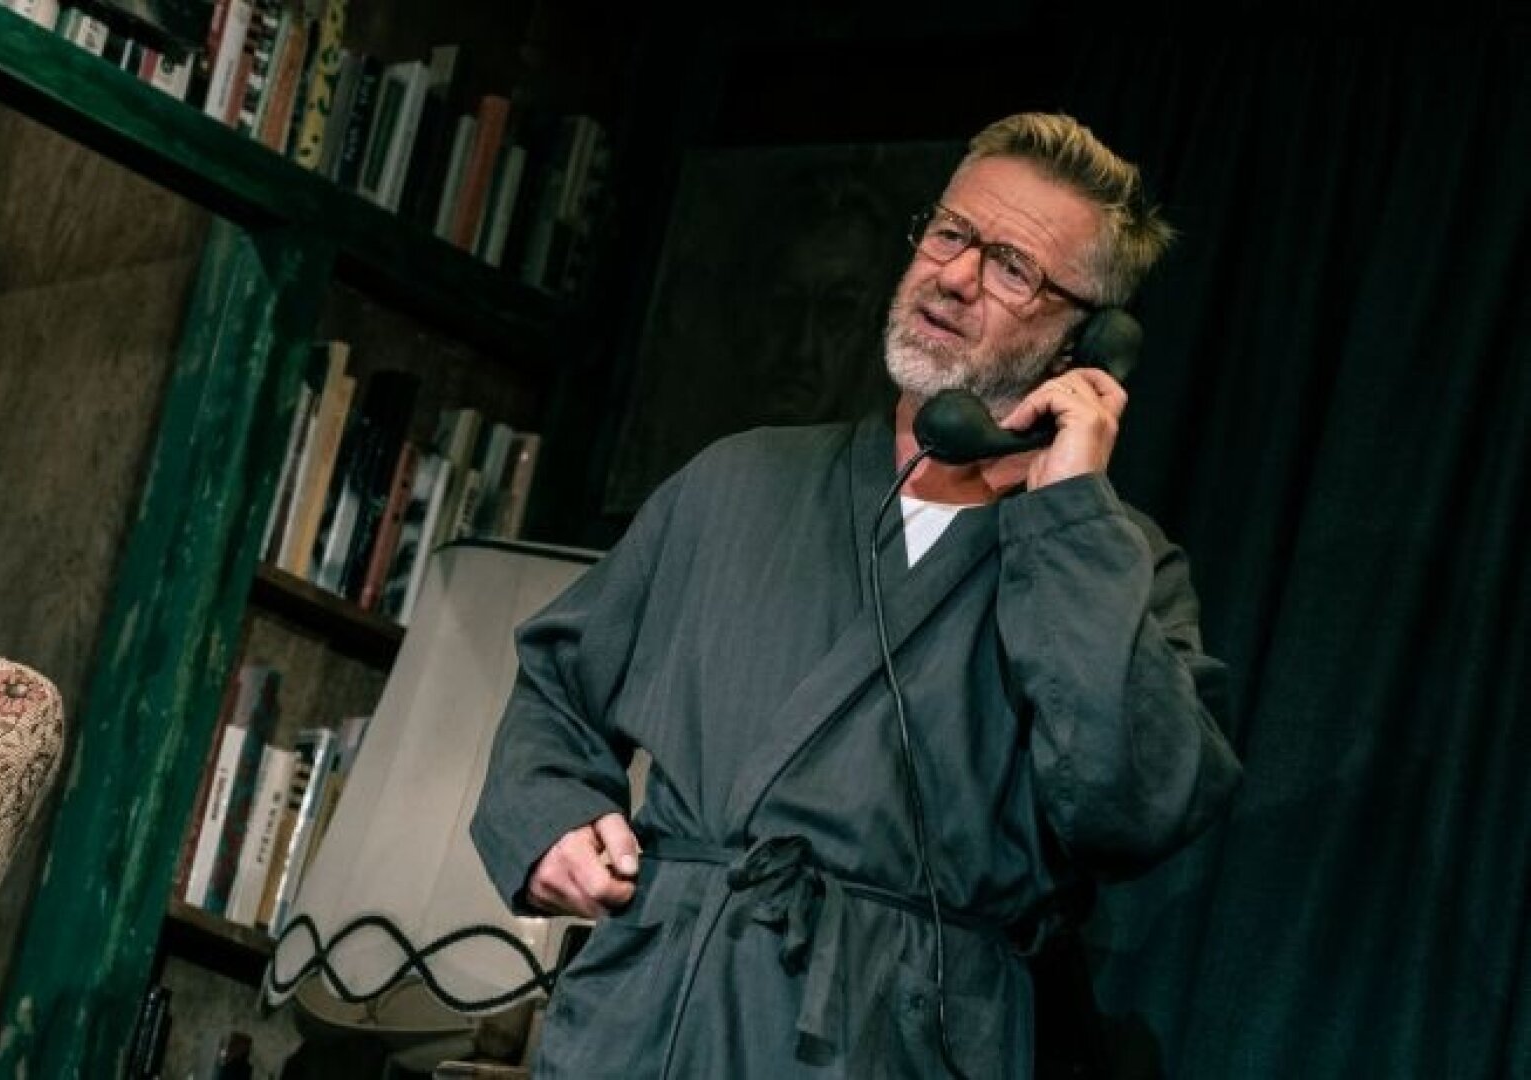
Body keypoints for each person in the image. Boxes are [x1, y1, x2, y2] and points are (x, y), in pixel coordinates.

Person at [471, 112, 1243, 1078]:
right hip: (651, 1017)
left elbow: (1136, 804)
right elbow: (557, 684)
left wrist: (1069, 516)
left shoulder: (1114, 566)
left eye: (1012, 268)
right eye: (950, 233)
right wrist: (546, 818)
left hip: (898, 1037)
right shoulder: (736, 484)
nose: (955, 276)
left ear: (1082, 344)